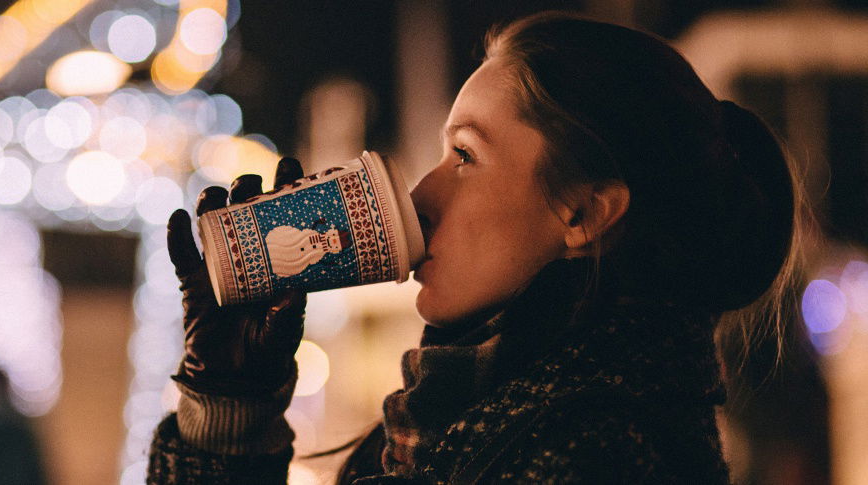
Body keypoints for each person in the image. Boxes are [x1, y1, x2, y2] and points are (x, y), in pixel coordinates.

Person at [147, 11, 799, 484]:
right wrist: (230, 406)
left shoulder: (590, 452)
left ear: (583, 212)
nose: (422, 193)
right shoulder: (462, 414)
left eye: (464, 154)